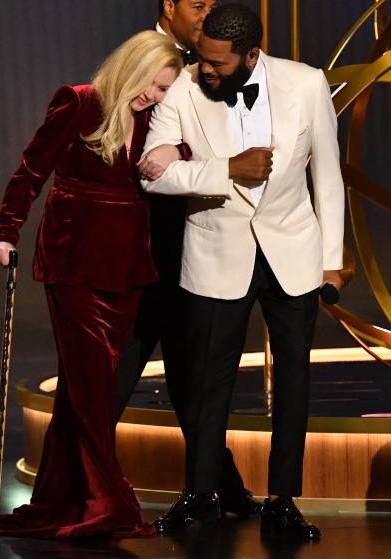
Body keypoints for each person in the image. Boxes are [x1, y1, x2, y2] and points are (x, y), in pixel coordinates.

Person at [0, 31, 183, 540]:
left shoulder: (162, 120)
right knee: (89, 383)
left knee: (92, 386)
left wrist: (175, 150)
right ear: (133, 66)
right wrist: (4, 231)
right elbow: (30, 171)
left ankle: (64, 499)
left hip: (127, 262)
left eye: (167, 88)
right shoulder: (81, 102)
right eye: (153, 83)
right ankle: (107, 502)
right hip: (73, 256)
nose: (156, 95)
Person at [137, 3, 345, 541]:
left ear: (251, 54)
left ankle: (282, 500)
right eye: (201, 59)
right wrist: (227, 168)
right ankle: (200, 494)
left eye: (217, 64)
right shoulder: (183, 88)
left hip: (292, 255)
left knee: (294, 380)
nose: (205, 71)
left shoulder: (305, 83)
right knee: (208, 382)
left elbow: (328, 176)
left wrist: (332, 261)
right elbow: (153, 175)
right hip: (215, 252)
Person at [115, 0, 263, 522]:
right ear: (169, 6)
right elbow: (125, 148)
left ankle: (219, 487)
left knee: (193, 375)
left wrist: (187, 157)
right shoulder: (143, 60)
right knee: (118, 371)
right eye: (197, 4)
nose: (206, 14)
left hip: (195, 244)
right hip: (138, 248)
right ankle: (79, 486)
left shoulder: (221, 65)